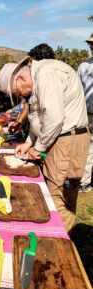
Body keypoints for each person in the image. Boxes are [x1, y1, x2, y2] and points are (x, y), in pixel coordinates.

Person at [0, 56, 90, 233]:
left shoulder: (47, 74)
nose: (21, 96)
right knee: (50, 192)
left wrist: (38, 148)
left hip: (67, 142)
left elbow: (54, 120)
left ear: (21, 78)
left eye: (17, 93)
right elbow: (39, 118)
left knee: (59, 199)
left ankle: (59, 246)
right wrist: (28, 143)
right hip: (59, 140)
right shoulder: (39, 78)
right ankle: (52, 236)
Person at [7, 43, 55, 135]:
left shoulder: (49, 80)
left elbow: (52, 118)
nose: (30, 67)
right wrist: (19, 122)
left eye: (31, 63)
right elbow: (26, 105)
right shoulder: (32, 83)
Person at [77, 33, 93, 192]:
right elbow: (78, 92)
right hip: (88, 114)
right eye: (90, 44)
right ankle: (84, 182)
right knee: (88, 148)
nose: (92, 47)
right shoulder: (84, 66)